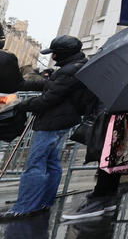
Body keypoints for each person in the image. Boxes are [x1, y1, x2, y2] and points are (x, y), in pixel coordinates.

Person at [0, 36, 89, 221]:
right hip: (62, 121)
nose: (53, 56)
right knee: (51, 162)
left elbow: (50, 99)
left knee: (35, 164)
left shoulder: (68, 71)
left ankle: (24, 207)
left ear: (63, 53)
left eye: (55, 53)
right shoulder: (77, 66)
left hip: (53, 122)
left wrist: (20, 105)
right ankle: (43, 202)